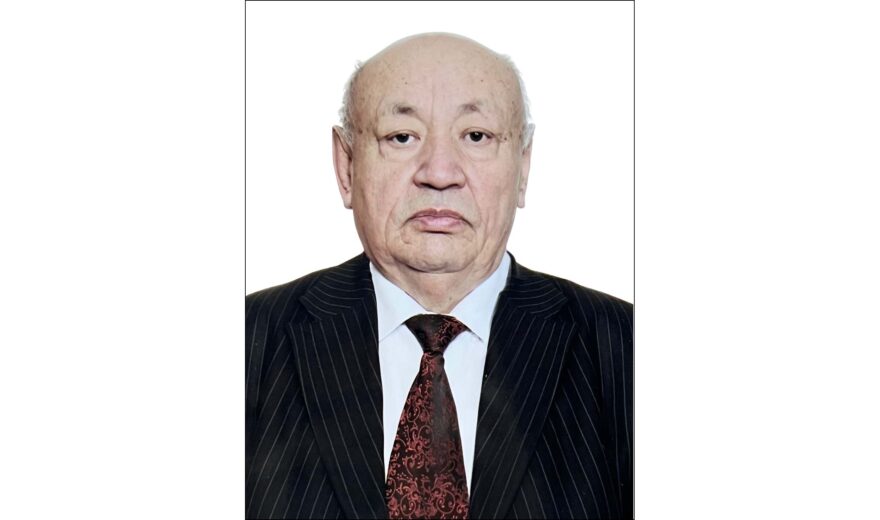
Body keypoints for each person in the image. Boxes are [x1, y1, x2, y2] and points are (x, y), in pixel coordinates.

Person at [246, 32, 632, 520]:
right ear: (346, 166)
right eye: (401, 137)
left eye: (476, 136)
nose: (440, 172)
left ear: (523, 167)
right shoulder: (248, 339)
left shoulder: (625, 346)